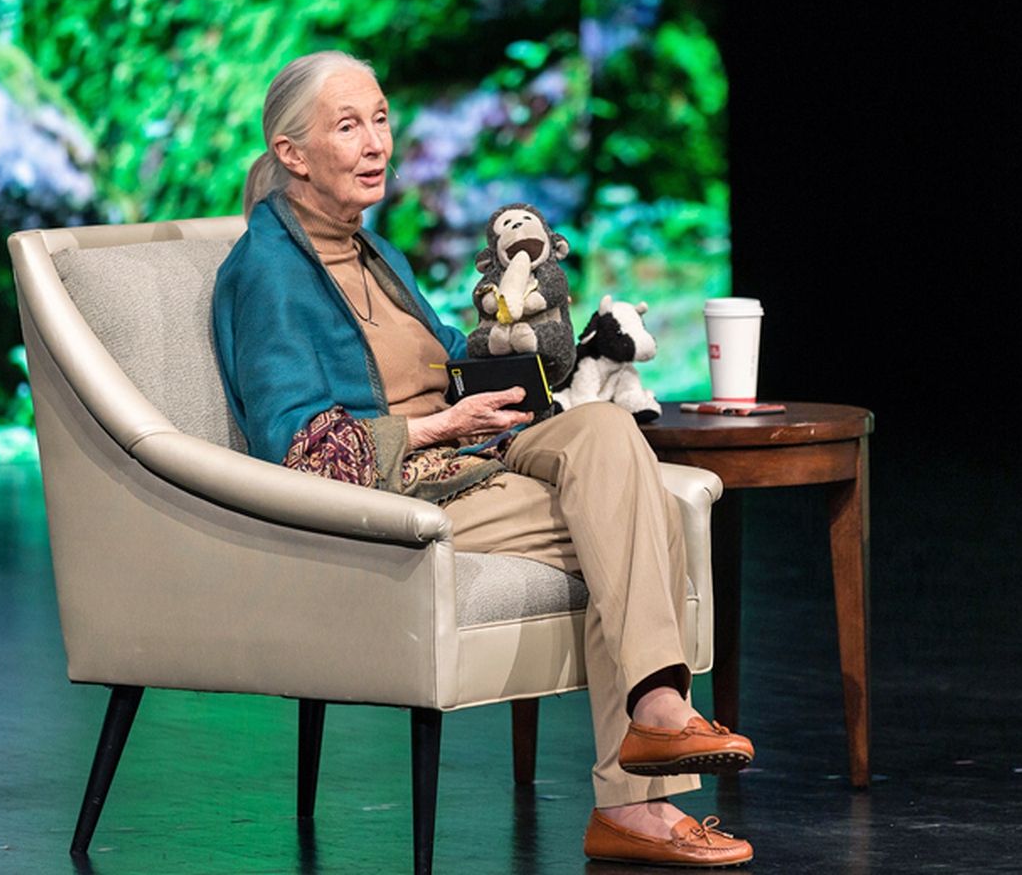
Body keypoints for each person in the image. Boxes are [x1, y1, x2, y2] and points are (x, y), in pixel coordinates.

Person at [212, 50, 755, 868]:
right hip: (407, 488)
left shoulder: (372, 252)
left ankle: (656, 717)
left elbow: (444, 368)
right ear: (290, 154)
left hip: (477, 451)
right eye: (348, 126)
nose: (375, 144)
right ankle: (641, 790)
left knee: (610, 436)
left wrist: (544, 346)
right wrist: (437, 428)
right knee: (628, 523)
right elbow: (294, 447)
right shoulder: (265, 272)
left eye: (382, 119)